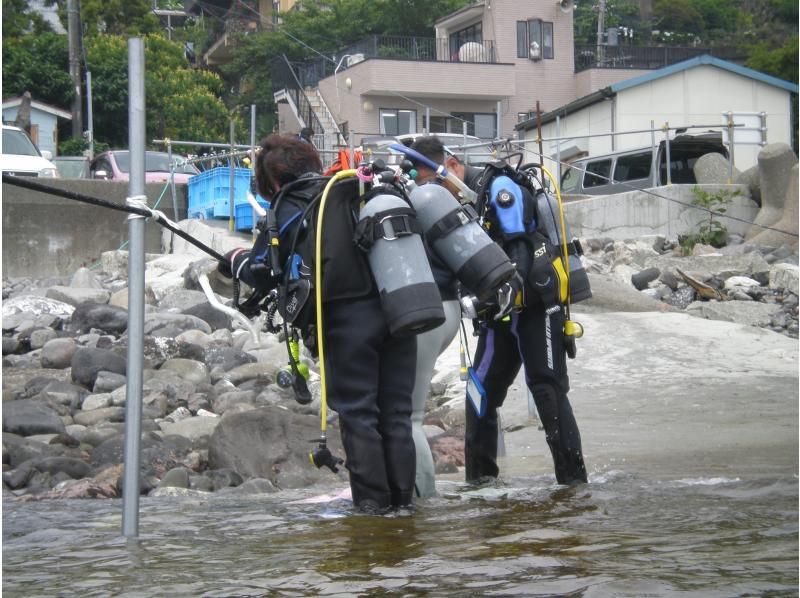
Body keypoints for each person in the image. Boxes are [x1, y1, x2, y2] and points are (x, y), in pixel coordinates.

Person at [218, 133, 419, 513]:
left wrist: (236, 259)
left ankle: (374, 514)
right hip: (397, 310)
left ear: (274, 180)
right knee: (396, 415)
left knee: (360, 416)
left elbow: (265, 271)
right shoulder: (351, 190)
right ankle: (403, 510)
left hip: (347, 321)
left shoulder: (292, 203)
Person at [408, 135, 588, 487]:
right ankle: (480, 485)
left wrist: (503, 292)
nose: (436, 196)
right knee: (480, 393)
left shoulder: (499, 186)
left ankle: (573, 488)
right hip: (500, 311)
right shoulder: (459, 204)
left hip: (536, 303)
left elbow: (519, 246)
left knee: (547, 391)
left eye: (436, 184)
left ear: (453, 166)